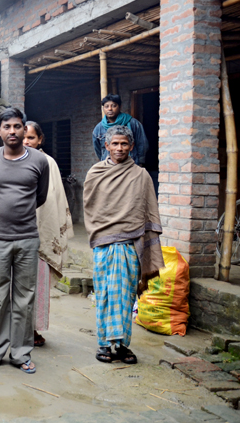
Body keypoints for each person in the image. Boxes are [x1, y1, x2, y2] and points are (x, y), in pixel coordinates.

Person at [0, 108, 49, 374]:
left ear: (24, 128)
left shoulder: (39, 161)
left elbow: (40, 197)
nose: (13, 131)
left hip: (28, 238)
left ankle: (20, 353)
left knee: (24, 298)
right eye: (7, 126)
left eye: (18, 126)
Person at [84, 125, 164, 365]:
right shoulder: (95, 173)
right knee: (106, 293)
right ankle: (105, 344)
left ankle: (122, 345)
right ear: (106, 146)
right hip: (104, 243)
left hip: (130, 245)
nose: (119, 148)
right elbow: (92, 208)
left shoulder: (141, 175)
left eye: (124, 144)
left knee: (126, 295)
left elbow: (147, 209)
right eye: (115, 144)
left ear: (131, 146)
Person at [23, 121, 74, 347]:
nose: (26, 141)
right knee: (14, 284)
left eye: (31, 138)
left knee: (38, 283)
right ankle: (13, 328)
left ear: (40, 140)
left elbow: (55, 197)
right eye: (23, 137)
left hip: (42, 233)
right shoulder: (8, 158)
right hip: (15, 232)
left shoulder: (48, 163)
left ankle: (33, 329)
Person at [92, 94, 148, 166]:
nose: (110, 109)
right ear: (103, 108)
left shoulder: (133, 123)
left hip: (130, 165)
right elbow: (98, 150)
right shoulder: (98, 128)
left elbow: (142, 144)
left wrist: (140, 163)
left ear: (120, 107)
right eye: (106, 106)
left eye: (114, 106)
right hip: (109, 167)